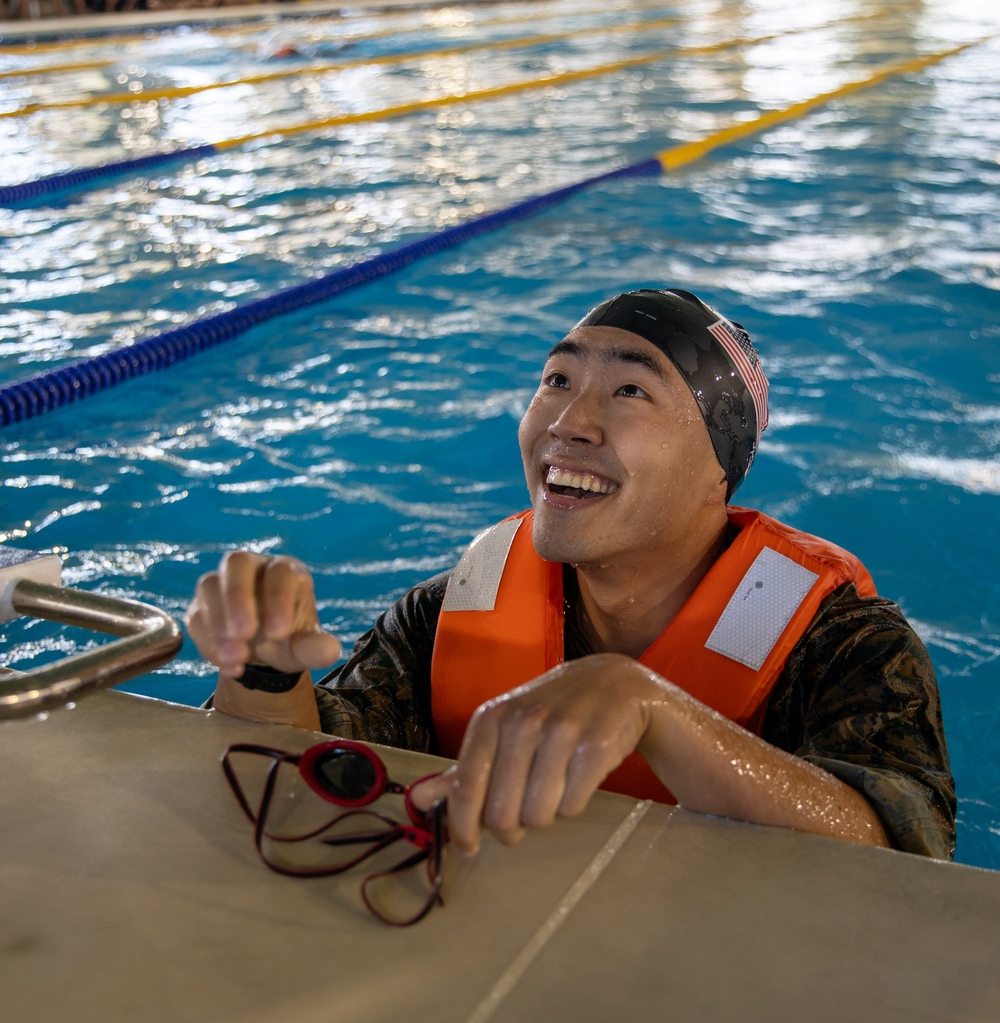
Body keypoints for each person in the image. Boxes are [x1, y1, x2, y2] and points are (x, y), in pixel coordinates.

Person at [187, 288, 954, 861]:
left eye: (629, 391)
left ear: (718, 470)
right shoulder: (455, 609)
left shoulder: (836, 644)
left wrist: (654, 711)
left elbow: (905, 854)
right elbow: (311, 773)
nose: (567, 422)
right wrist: (262, 671)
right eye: (556, 380)